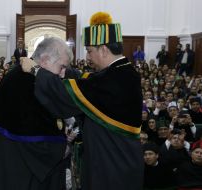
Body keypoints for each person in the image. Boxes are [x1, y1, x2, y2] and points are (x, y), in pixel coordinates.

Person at [21, 12, 144, 190]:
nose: (87, 57)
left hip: (113, 165)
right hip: (113, 158)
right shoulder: (120, 72)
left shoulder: (115, 79)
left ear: (103, 49)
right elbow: (86, 82)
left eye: (89, 51)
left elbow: (65, 93)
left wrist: (37, 70)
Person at [0, 61, 67, 189]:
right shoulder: (30, 83)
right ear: (46, 60)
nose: (63, 73)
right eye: (61, 67)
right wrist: (62, 147)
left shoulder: (13, 77)